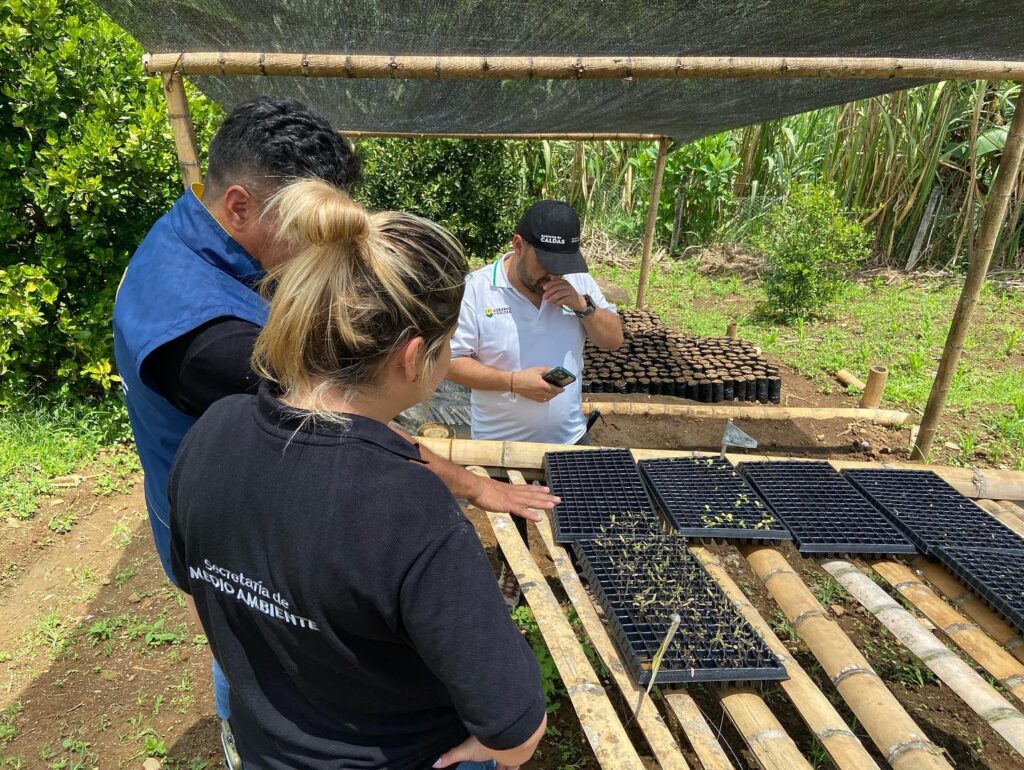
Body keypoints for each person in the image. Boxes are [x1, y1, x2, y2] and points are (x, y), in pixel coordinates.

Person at [112, 96, 556, 765]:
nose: (322, 263)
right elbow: (515, 724)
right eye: (307, 230)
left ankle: (255, 732)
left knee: (259, 650)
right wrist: (455, 487)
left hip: (210, 515)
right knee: (288, 647)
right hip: (253, 524)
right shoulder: (210, 345)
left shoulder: (213, 412)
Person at [448, 200, 624, 444]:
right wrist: (513, 382)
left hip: (571, 440)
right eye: (546, 263)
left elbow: (614, 340)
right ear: (518, 245)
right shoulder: (476, 290)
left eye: (562, 265)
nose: (554, 275)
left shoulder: (579, 281)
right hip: (498, 446)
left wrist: (584, 307)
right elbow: (450, 362)